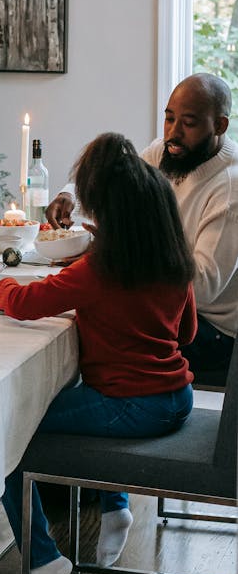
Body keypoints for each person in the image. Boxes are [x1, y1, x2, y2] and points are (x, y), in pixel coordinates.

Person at [0, 133, 196, 574]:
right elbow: (185, 332)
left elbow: (25, 303)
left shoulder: (98, 269)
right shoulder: (174, 263)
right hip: (178, 397)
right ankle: (115, 505)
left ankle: (43, 560)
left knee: (4, 437)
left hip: (130, 407)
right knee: (70, 394)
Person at [46, 74, 238, 386]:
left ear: (219, 126)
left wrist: (122, 252)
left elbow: (201, 288)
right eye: (169, 118)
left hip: (212, 332)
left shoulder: (231, 188)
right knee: (70, 311)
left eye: (188, 123)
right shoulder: (164, 152)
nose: (173, 133)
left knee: (89, 321)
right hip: (168, 302)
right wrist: (71, 195)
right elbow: (115, 181)